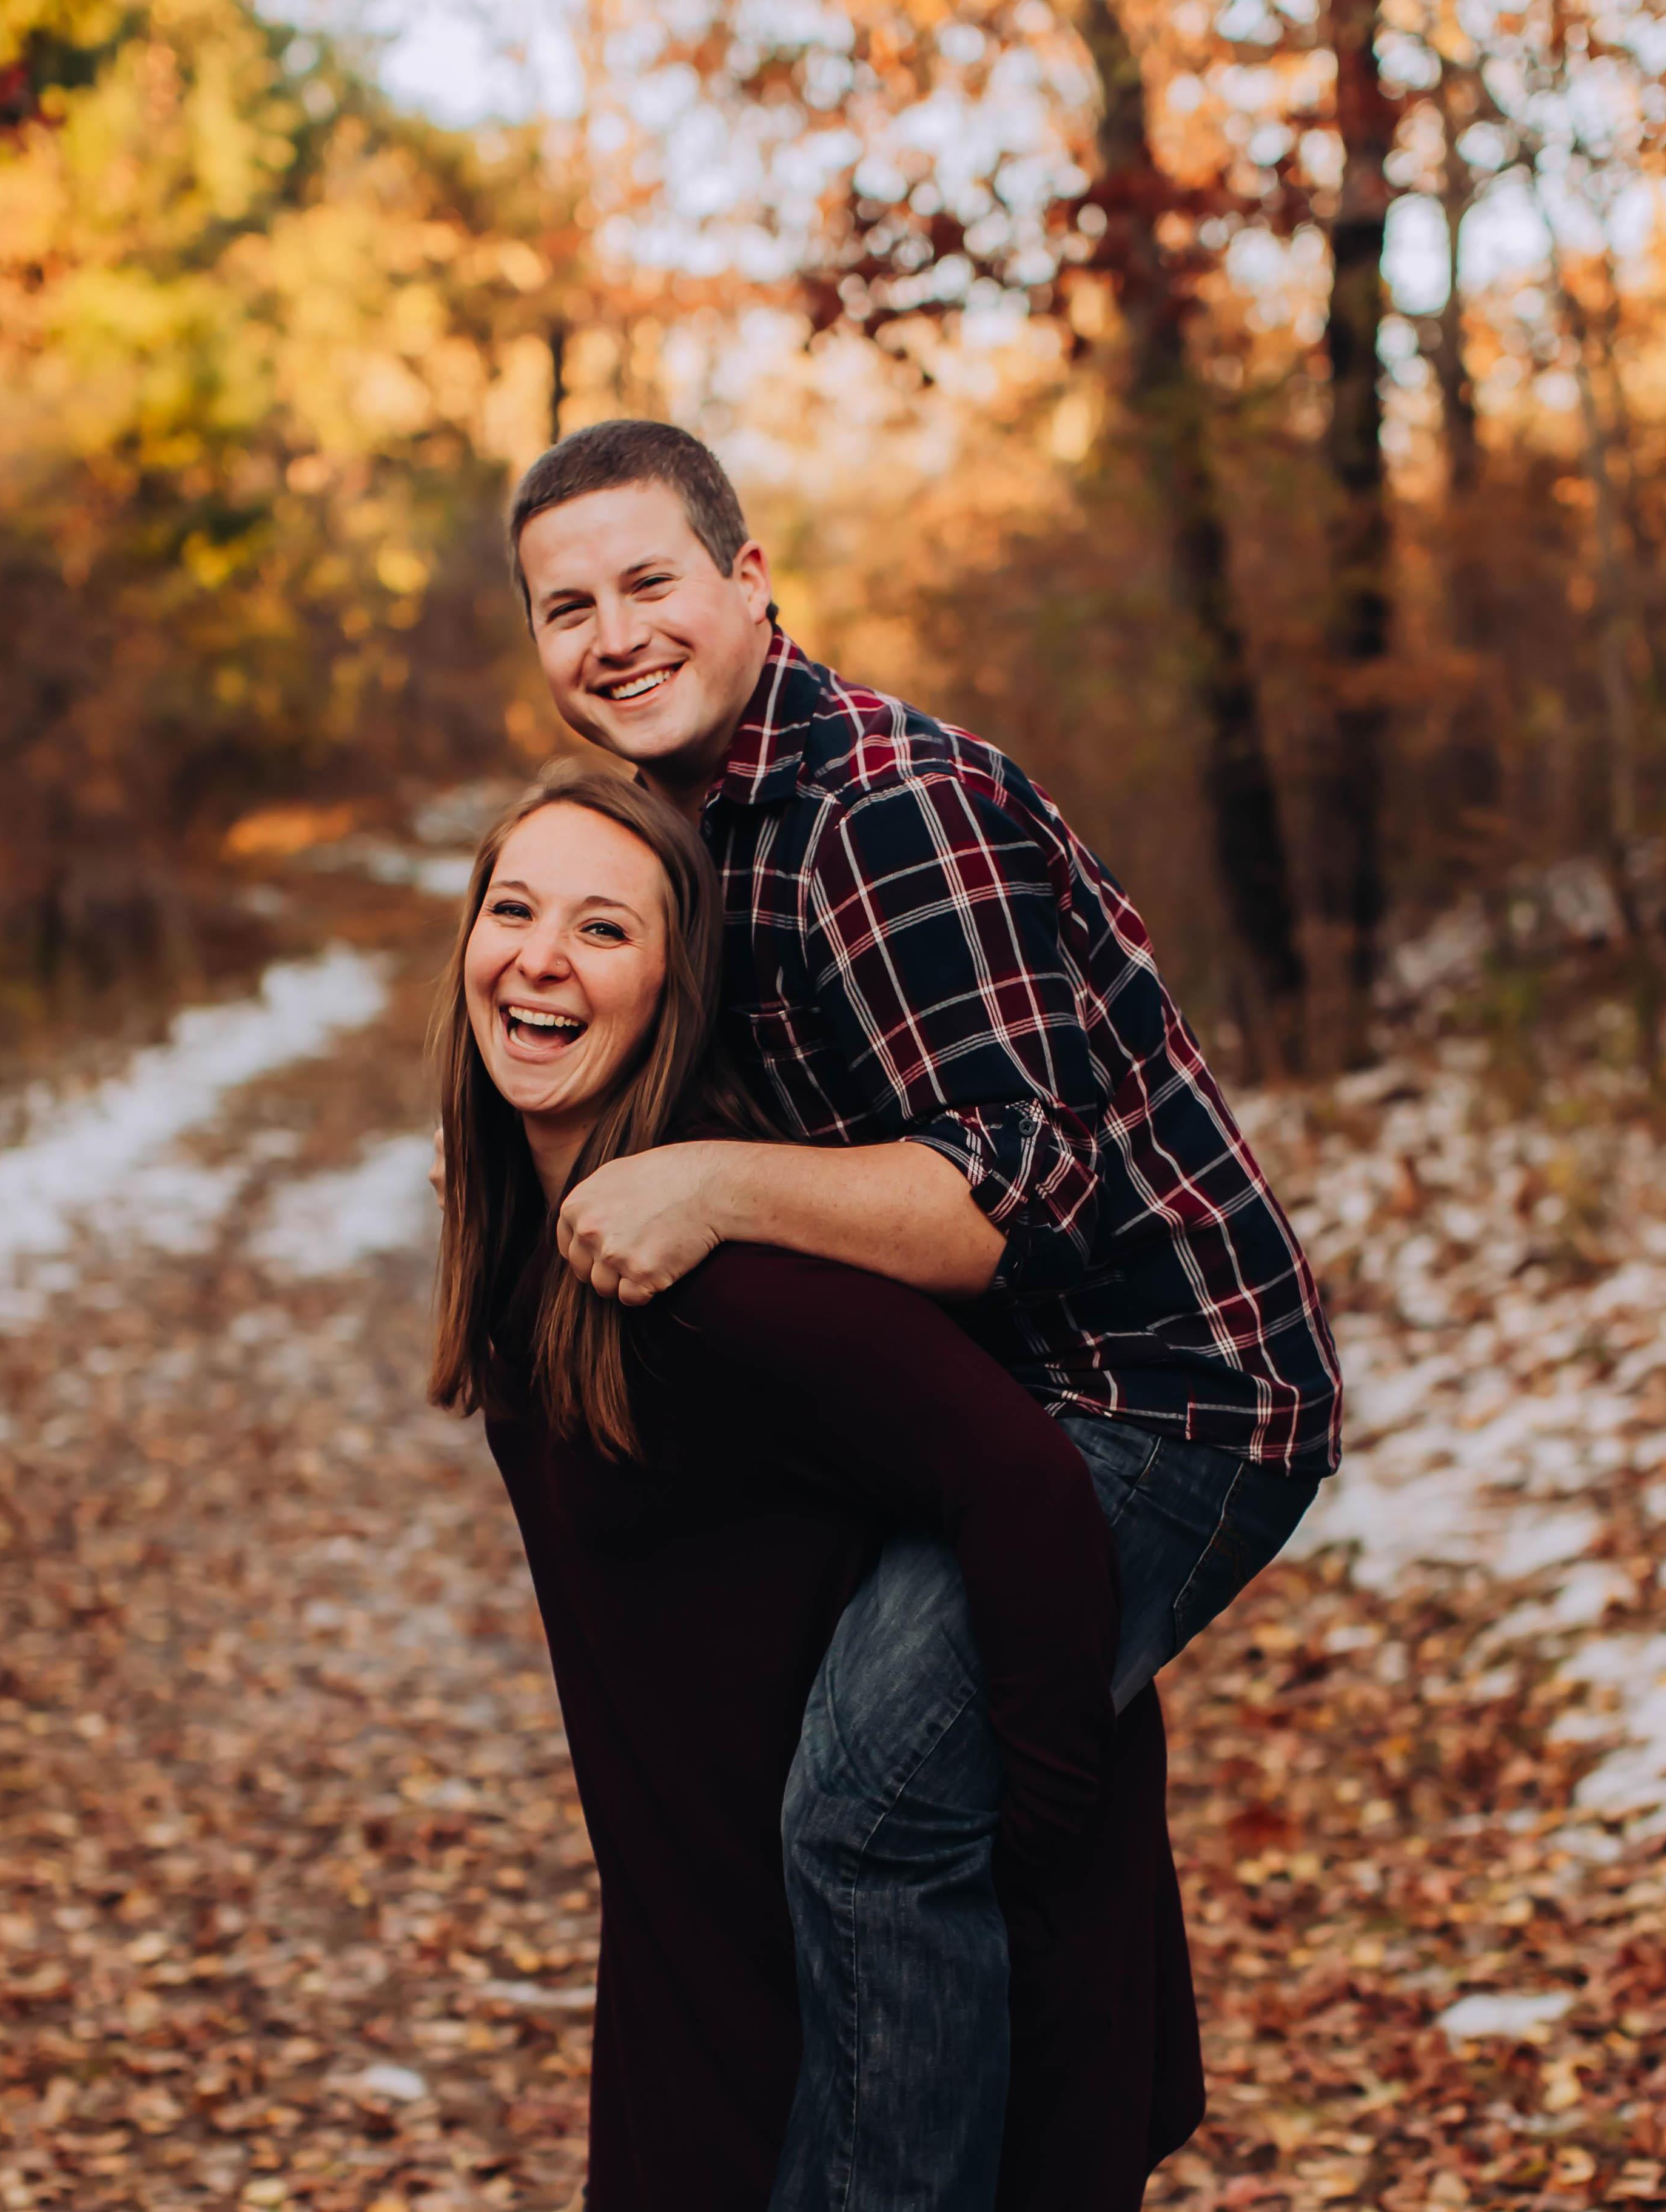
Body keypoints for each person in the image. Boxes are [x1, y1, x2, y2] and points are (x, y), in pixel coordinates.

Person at [477, 419, 1345, 2212]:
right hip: (992, 1403)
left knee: (873, 1807)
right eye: (569, 608)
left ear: (750, 581)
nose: (614, 636)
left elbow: (1012, 1186)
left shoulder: (878, 808)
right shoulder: (700, 821)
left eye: (650, 583)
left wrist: (712, 1181)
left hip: (1168, 1395)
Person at [430, 766, 1203, 2211]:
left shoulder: (723, 1284)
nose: (540, 957)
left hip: (884, 2013)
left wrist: (1031, 1850)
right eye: (513, 910)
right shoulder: (546, 1264)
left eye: (605, 929)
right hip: (701, 1979)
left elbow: (1026, 1488)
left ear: (675, 994)